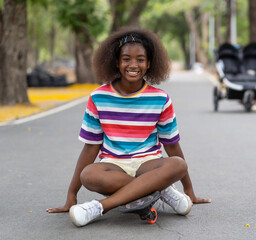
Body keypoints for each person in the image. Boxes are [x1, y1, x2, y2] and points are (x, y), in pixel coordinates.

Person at [46, 27, 211, 227]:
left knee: (178, 164)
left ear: (149, 63)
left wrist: (189, 191)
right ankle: (159, 190)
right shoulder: (98, 97)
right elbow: (91, 147)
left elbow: (172, 145)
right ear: (117, 62)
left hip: (148, 164)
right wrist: (72, 194)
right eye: (126, 59)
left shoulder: (160, 98)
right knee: (88, 175)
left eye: (140, 59)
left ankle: (99, 207)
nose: (133, 65)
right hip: (114, 165)